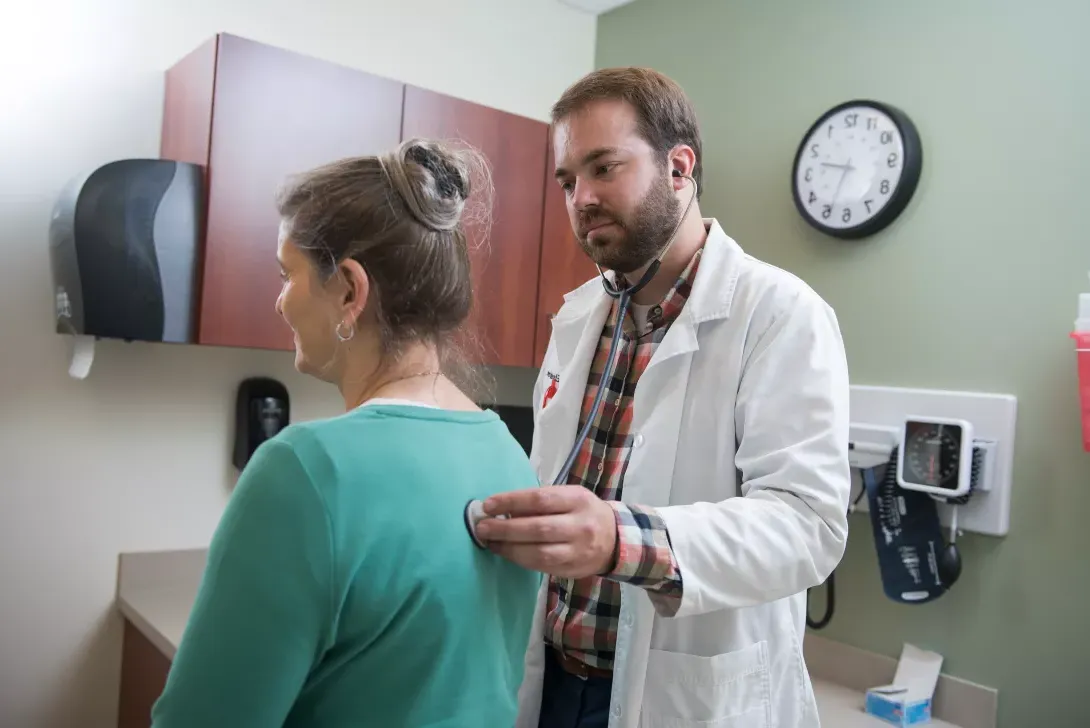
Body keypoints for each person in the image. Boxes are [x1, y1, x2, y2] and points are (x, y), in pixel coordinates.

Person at [473, 68, 852, 727]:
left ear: (679, 168)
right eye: (567, 180)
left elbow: (808, 526)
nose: (580, 198)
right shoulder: (577, 318)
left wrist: (623, 541)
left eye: (604, 167)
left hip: (681, 696)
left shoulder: (780, 315)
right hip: (552, 682)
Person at [149, 138, 542, 728]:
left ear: (351, 290)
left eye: (289, 274)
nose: (281, 303)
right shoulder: (509, 455)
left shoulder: (305, 473)